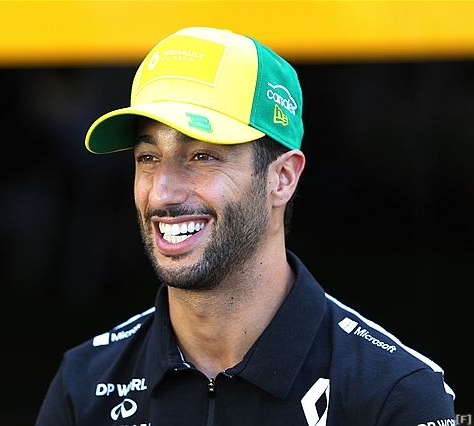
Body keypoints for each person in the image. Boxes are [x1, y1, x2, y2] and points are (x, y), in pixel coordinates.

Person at [36, 27, 455, 426]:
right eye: (148, 158)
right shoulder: (84, 384)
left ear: (282, 178)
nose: (162, 193)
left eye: (202, 156)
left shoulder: (393, 394)